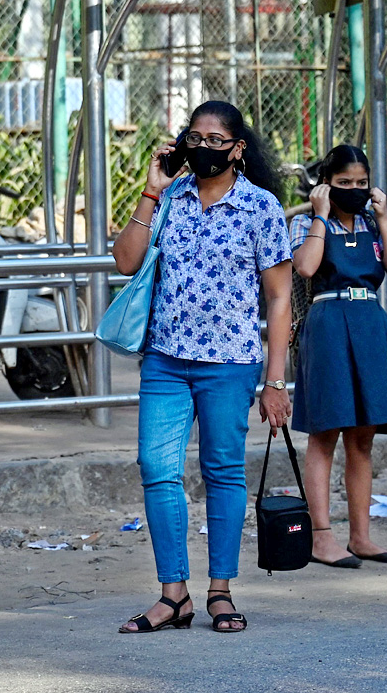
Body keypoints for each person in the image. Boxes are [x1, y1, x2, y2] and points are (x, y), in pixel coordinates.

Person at [112, 100, 292, 634]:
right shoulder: (170, 200)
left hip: (230, 364)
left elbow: (280, 300)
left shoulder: (260, 208)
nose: (205, 148)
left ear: (238, 149)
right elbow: (124, 261)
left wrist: (275, 381)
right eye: (196, 138)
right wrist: (152, 189)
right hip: (166, 361)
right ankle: (174, 595)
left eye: (217, 140)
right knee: (156, 467)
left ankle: (220, 590)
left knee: (222, 473)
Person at [289, 145, 387, 567]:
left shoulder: (373, 225)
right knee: (325, 433)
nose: (355, 190)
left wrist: (383, 217)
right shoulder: (306, 223)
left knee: (363, 438)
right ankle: (321, 537)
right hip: (328, 323)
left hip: (369, 324)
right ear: (326, 183)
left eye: (361, 183)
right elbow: (305, 267)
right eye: (345, 183)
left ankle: (361, 536)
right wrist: (321, 214)